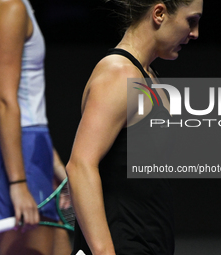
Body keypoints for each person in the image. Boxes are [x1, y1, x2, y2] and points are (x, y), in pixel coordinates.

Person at [66, 0, 203, 254]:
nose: (195, 33)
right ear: (159, 13)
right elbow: (80, 166)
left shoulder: (146, 74)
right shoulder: (120, 75)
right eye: (191, 21)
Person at [0, 0, 71, 254]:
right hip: (19, 158)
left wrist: (57, 169)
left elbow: (27, 105)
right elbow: (5, 101)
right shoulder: (6, 6)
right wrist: (19, 184)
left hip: (33, 150)